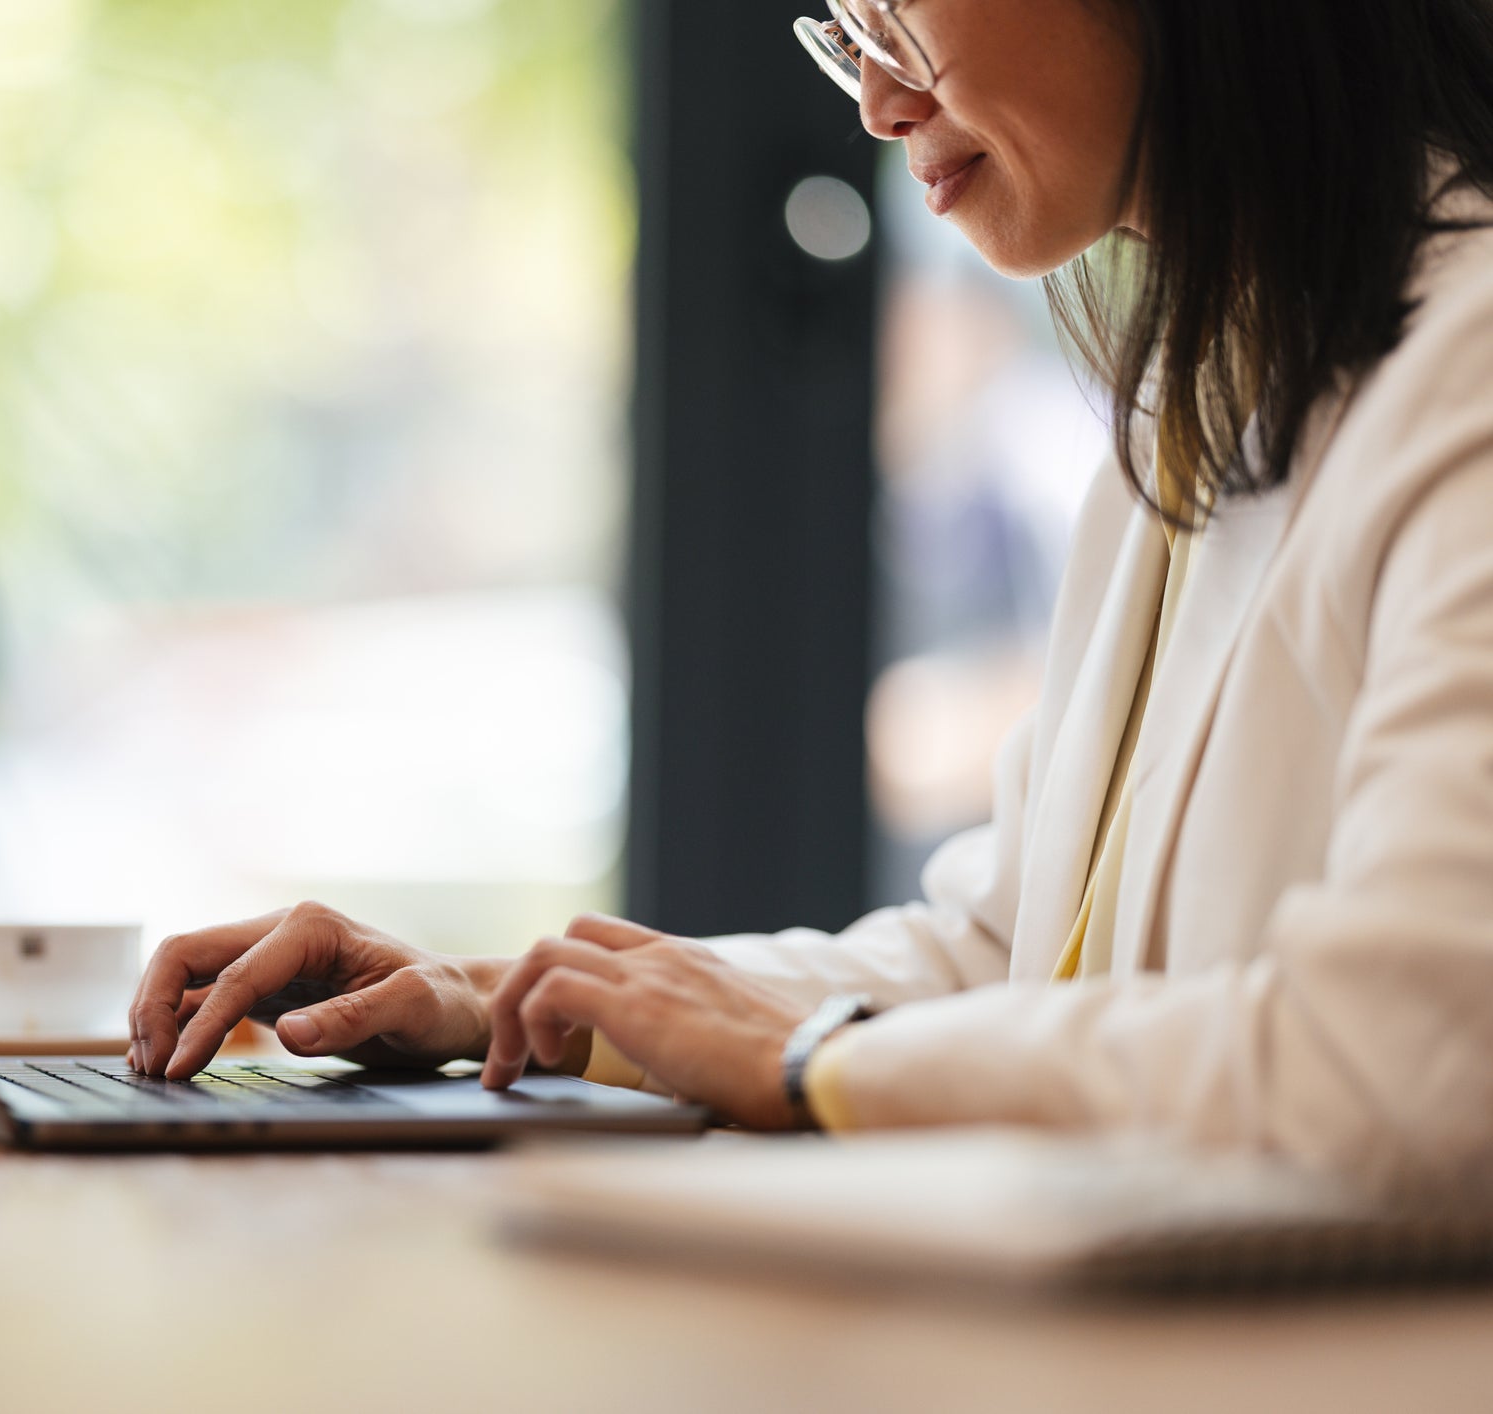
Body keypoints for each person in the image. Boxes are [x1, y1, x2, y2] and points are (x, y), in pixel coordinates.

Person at [127, 0, 1493, 1196]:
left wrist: (815, 1064)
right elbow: (1004, 959)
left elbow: (1418, 1058)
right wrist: (502, 997)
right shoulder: (1197, 396)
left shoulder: (1463, 364)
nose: (880, 100)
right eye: (849, 29)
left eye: (899, 11)